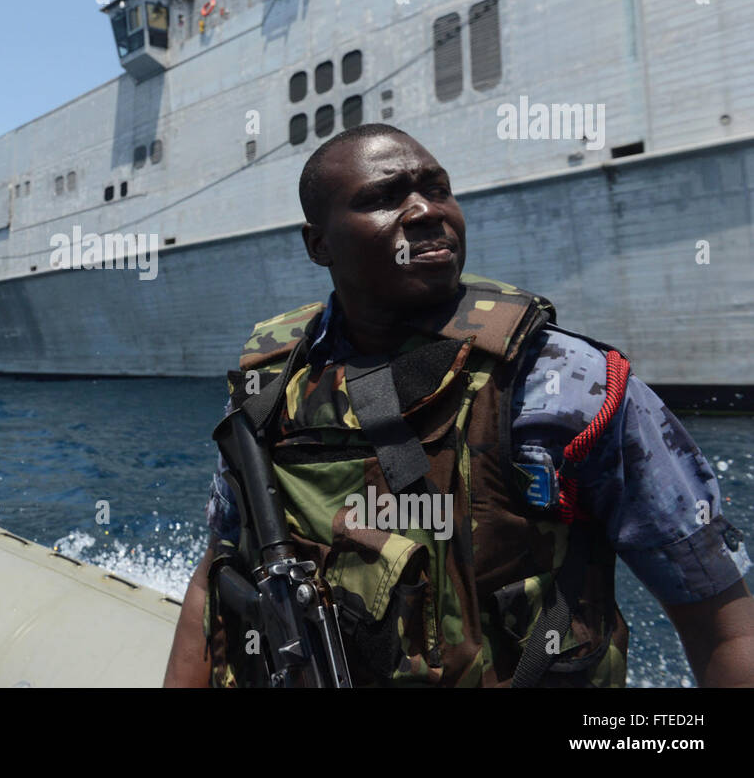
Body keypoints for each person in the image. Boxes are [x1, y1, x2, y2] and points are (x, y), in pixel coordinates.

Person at [163, 123, 754, 688]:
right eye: (384, 198)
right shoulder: (272, 389)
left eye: (438, 189)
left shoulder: (568, 384)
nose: (427, 211)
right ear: (319, 243)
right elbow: (215, 576)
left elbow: (717, 619)